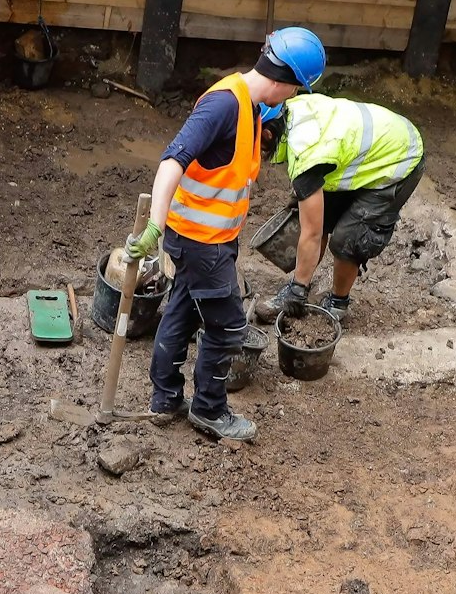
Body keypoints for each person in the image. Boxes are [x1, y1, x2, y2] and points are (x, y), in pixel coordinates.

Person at [125, 27, 327, 442]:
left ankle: (164, 400)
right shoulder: (223, 106)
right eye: (294, 89)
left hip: (203, 238)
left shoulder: (248, 105)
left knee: (181, 310)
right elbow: (171, 162)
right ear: (281, 79)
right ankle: (210, 411)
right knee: (228, 326)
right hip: (202, 242)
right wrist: (153, 225)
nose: (291, 98)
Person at [256, 94, 425, 324]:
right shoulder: (289, 109)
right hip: (365, 149)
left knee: (348, 239)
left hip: (400, 157)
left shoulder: (306, 153)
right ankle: (301, 283)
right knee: (315, 214)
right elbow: (317, 223)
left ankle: (338, 303)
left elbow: (312, 233)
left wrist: (297, 290)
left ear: (266, 133)